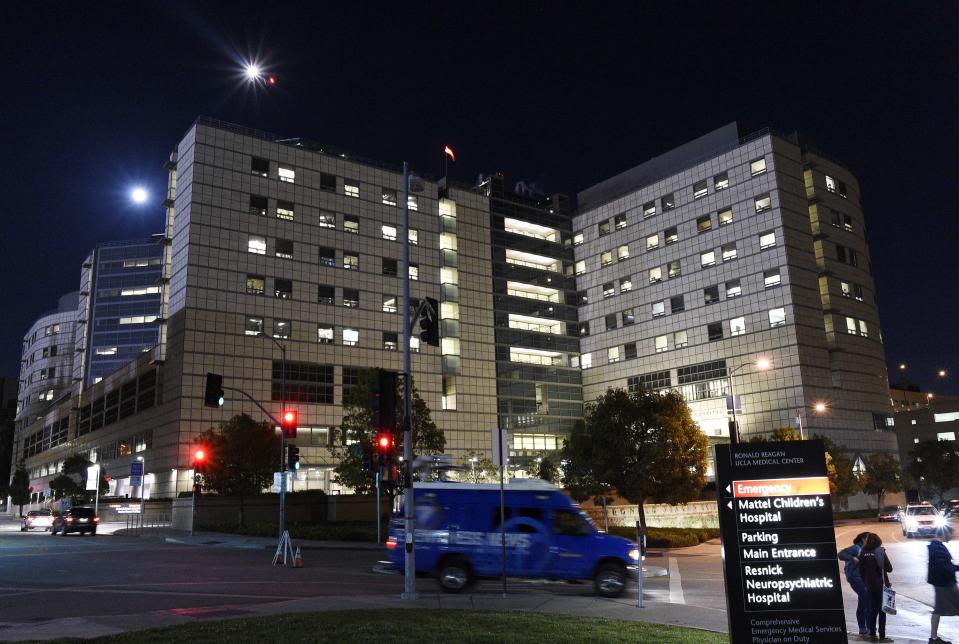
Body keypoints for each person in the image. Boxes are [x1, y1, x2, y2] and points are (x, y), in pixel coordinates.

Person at [860, 532, 894, 643]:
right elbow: (889, 568)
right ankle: (882, 636)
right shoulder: (880, 551)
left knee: (872, 610)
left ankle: (872, 633)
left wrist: (865, 583)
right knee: (882, 610)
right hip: (881, 585)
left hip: (869, 586)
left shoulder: (863, 552)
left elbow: (861, 571)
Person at [928, 525, 959, 644]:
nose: (952, 536)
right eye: (951, 534)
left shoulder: (936, 546)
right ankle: (933, 639)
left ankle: (933, 638)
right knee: (938, 610)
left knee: (938, 610)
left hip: (942, 583)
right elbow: (942, 567)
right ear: (944, 534)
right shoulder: (937, 548)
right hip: (945, 584)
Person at [839, 532, 873, 638]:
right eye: (869, 538)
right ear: (863, 539)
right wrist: (853, 558)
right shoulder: (856, 548)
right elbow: (841, 554)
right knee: (869, 603)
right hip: (856, 578)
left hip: (862, 579)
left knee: (862, 603)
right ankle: (869, 629)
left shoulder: (866, 549)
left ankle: (862, 629)